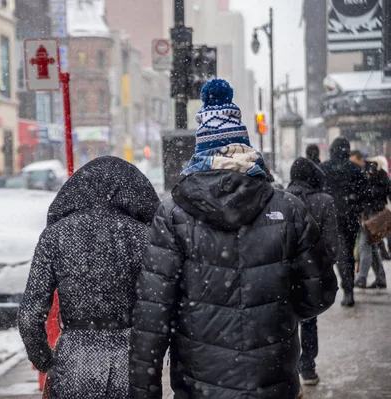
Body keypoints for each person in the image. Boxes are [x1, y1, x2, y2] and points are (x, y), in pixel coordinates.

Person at [129, 79, 337, 399]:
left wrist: (145, 390)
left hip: (200, 385)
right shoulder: (287, 209)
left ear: (201, 151)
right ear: (245, 146)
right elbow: (320, 293)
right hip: (273, 381)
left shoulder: (172, 215)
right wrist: (276, 312)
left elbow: (153, 316)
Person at [18, 156, 159, 398]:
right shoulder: (144, 237)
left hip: (74, 359)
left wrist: (46, 362)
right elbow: (160, 306)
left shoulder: (55, 236)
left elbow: (30, 317)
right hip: (133, 362)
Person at [287, 157, 340, 386]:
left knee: (285, 324)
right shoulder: (324, 201)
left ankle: (288, 373)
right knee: (309, 321)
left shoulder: (280, 200)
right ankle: (308, 368)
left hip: (284, 273)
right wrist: (320, 267)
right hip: (312, 273)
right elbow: (332, 245)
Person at [321, 139, 368, 306]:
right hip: (350, 215)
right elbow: (365, 192)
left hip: (331, 216)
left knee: (337, 253)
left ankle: (340, 288)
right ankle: (349, 289)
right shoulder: (355, 169)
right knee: (348, 252)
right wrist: (357, 206)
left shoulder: (324, 168)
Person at [349, 151, 389, 289]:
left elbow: (385, 189)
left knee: (364, 245)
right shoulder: (361, 172)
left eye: (354, 162)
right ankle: (380, 278)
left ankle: (362, 279)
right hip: (365, 214)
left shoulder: (373, 171)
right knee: (370, 246)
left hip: (373, 214)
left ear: (361, 160)